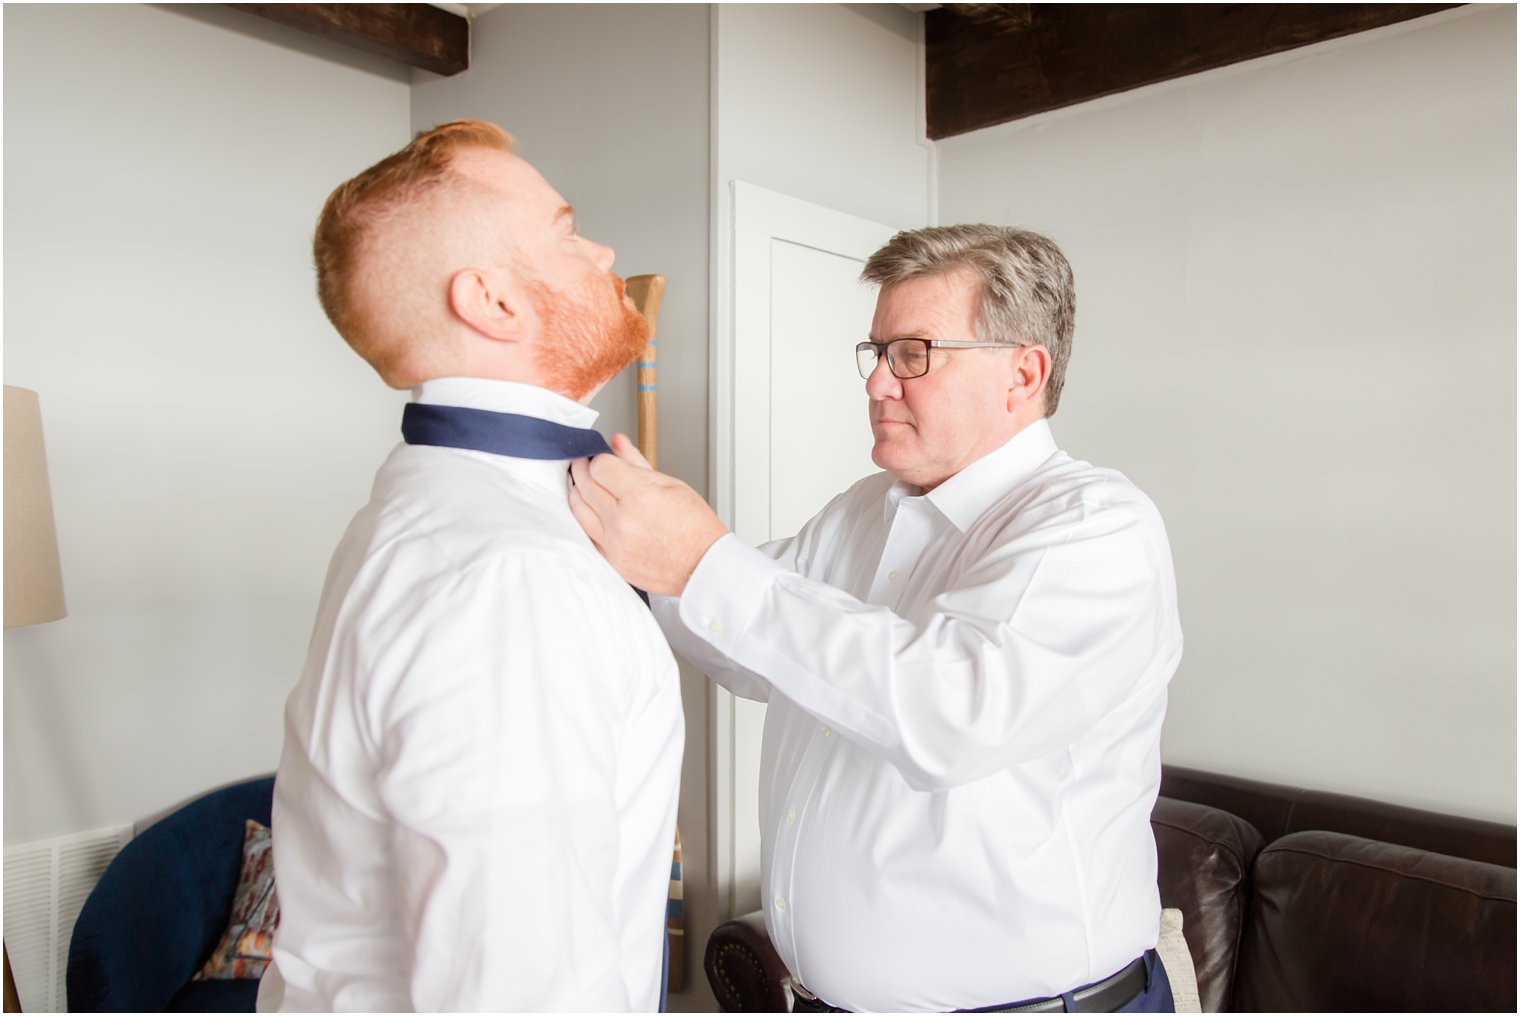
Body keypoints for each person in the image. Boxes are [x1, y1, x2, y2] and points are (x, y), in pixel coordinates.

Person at [570, 225, 1182, 1013]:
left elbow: (949, 715)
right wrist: (642, 559)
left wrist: (700, 561)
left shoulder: (1097, 527)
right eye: (878, 352)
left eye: (915, 354)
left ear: (1023, 373)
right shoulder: (863, 512)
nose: (879, 384)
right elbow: (750, 646)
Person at [259, 120, 683, 1012]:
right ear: (491, 303)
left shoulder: (430, 504)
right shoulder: (511, 577)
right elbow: (520, 985)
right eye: (568, 233)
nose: (604, 249)